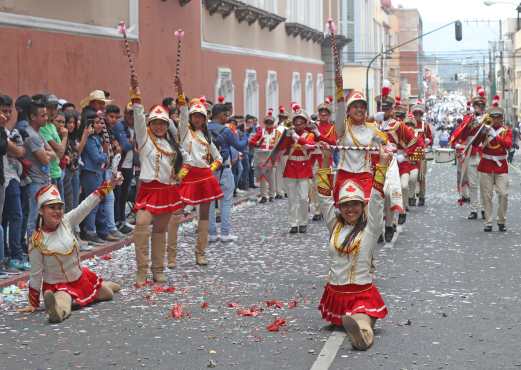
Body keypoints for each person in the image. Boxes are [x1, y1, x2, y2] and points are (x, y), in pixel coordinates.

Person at [315, 146, 391, 350]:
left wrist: (382, 165)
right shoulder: (335, 225)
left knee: (363, 320)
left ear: (362, 205)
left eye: (355, 204)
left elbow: (376, 199)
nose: (350, 209)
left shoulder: (371, 227)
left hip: (361, 293)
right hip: (336, 294)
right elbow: (323, 198)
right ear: (339, 207)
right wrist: (325, 160)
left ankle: (362, 337)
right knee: (348, 320)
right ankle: (348, 322)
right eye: (345, 205)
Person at [18, 180, 122, 323]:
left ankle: (106, 284)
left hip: (79, 278)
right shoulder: (36, 240)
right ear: (41, 211)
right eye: (52, 207)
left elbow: (86, 205)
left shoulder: (67, 221)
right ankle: (56, 312)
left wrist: (109, 185)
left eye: (59, 207)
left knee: (108, 294)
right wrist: (33, 302)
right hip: (57, 286)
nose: (57, 211)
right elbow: (35, 273)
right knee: (63, 300)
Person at [130, 82, 185, 286]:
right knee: (141, 225)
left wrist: (179, 175)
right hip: (148, 190)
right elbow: (137, 120)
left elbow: (184, 161)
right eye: (155, 123)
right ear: (150, 124)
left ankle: (158, 269)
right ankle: (141, 270)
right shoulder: (145, 140)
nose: (159, 126)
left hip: (167, 191)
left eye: (163, 123)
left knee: (160, 232)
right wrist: (136, 95)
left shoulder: (172, 145)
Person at [177, 78, 223, 265]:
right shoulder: (185, 132)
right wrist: (181, 94)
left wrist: (210, 169)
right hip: (187, 176)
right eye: (194, 115)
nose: (197, 119)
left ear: (205, 119)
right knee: (174, 212)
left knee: (204, 215)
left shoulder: (206, 136)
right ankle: (170, 254)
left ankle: (200, 253)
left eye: (201, 116)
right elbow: (181, 115)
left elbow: (218, 158)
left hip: (204, 177)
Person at [207, 101, 248, 243]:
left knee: (210, 203)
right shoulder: (225, 131)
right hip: (223, 168)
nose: (228, 117)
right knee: (225, 201)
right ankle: (225, 233)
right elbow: (240, 146)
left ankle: (211, 233)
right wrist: (245, 136)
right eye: (226, 114)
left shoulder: (203, 128)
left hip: (206, 169)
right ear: (221, 115)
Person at [276, 104, 315, 233]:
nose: (298, 125)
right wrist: (287, 135)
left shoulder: (309, 135)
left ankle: (303, 221)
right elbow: (282, 147)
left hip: (304, 168)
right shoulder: (289, 134)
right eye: (296, 123)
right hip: (291, 168)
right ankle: (293, 223)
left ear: (305, 123)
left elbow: (309, 146)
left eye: (301, 123)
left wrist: (296, 137)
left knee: (304, 198)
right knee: (292, 199)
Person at [450, 87, 487, 220]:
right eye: (477, 105)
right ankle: (474, 209)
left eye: (481, 106)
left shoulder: (488, 119)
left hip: (484, 155)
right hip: (471, 153)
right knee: (472, 183)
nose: (479, 108)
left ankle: (484, 209)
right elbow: (461, 133)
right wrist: (459, 144)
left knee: (484, 184)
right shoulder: (469, 119)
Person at [23, 99, 56, 244]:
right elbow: (46, 159)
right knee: (34, 218)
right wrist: (48, 154)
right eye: (42, 115)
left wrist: (48, 154)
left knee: (43, 218)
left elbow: (54, 153)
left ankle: (42, 246)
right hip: (35, 182)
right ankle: (32, 250)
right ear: (32, 117)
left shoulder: (39, 134)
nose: (46, 118)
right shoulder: (32, 135)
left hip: (44, 181)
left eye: (46, 115)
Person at [1, 94, 28, 271]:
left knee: (14, 216)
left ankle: (12, 255)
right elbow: (11, 149)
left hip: (9, 178)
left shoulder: (6, 130)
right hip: (6, 178)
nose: (7, 115)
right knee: (12, 217)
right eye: (4, 111)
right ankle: (11, 256)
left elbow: (20, 152)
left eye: (9, 111)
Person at [476, 104, 512, 232]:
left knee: (503, 194)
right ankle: (488, 222)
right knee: (487, 195)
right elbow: (475, 144)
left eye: (498, 118)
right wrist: (482, 131)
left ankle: (501, 220)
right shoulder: (484, 129)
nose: (495, 120)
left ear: (502, 119)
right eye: (493, 117)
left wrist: (495, 135)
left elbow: (508, 145)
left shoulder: (507, 131)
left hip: (501, 166)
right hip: (486, 165)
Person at [309, 98, 337, 221]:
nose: (323, 115)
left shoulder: (332, 127)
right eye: (321, 113)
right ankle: (316, 210)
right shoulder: (313, 126)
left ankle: (325, 209)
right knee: (314, 186)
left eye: (326, 113)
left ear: (329, 115)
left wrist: (319, 135)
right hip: (314, 158)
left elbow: (333, 142)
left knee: (325, 186)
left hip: (326, 158)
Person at [112, 103, 136, 234]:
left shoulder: (136, 128)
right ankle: (117, 222)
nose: (132, 116)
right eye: (130, 113)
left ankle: (122, 220)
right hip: (120, 166)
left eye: (134, 113)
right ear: (125, 114)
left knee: (124, 195)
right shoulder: (120, 126)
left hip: (130, 165)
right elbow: (125, 146)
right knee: (118, 195)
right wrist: (131, 144)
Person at [248, 109, 281, 203]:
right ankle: (263, 195)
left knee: (271, 176)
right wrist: (257, 143)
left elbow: (279, 146)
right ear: (264, 123)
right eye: (267, 122)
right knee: (262, 176)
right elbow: (252, 141)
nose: (269, 124)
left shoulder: (277, 133)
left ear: (273, 123)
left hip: (272, 155)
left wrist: (276, 158)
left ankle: (271, 195)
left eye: (270, 122)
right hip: (262, 155)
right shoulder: (261, 131)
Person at [411, 101, 433, 206]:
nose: (417, 116)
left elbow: (430, 138)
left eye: (419, 114)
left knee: (421, 176)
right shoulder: (409, 124)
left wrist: (428, 140)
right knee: (412, 175)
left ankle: (422, 196)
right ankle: (412, 195)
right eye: (416, 114)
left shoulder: (425, 125)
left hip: (421, 151)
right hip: (411, 152)